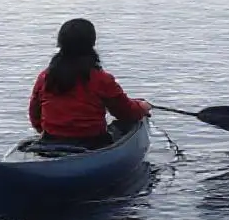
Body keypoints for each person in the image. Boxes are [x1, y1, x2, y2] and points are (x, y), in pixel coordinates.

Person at [27, 18, 151, 149]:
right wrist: (142, 107)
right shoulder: (101, 79)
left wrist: (49, 132)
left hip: (51, 141)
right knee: (126, 125)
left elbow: (35, 116)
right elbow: (125, 112)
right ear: (92, 43)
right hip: (92, 144)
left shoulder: (45, 77)